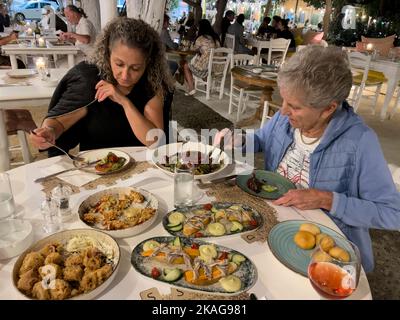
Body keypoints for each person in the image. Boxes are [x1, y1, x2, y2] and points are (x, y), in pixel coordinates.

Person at [215, 46, 400, 273]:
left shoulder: (360, 141)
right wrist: (240, 139)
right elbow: (263, 139)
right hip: (273, 224)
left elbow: (393, 213)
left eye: (293, 106)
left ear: (328, 109)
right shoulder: (286, 121)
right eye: (283, 100)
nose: (282, 112)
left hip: (322, 253)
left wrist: (328, 200)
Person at [30, 18, 174, 156]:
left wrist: (124, 102)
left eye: (135, 68)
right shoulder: (89, 81)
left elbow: (156, 142)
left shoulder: (152, 85)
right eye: (119, 64)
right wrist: (49, 132)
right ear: (107, 54)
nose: (125, 75)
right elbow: (59, 123)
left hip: (140, 169)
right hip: (96, 168)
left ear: (148, 62)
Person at [181, 19, 222, 96]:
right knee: (203, 64)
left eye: (198, 28)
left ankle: (191, 88)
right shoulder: (216, 38)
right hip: (217, 68)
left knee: (186, 66)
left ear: (201, 28)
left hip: (207, 69)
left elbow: (192, 49)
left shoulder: (201, 38)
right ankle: (207, 89)